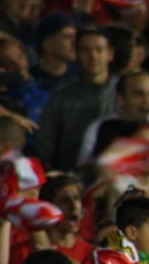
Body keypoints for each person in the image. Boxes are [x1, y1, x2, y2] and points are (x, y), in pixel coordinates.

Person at [36, 27, 117, 172]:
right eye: (86, 50)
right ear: (77, 54)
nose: (93, 56)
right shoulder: (61, 97)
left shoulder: (124, 92)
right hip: (71, 176)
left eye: (99, 50)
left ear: (110, 53)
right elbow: (45, 144)